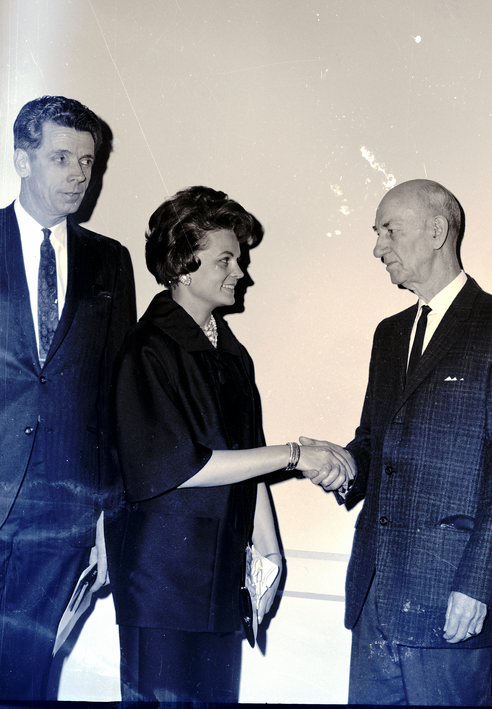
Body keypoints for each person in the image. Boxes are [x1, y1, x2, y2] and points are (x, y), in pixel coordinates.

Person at [0, 95, 137, 700]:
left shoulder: (111, 261)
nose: (78, 174)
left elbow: (115, 400)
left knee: (30, 686)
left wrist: (110, 516)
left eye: (88, 162)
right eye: (61, 157)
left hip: (62, 520)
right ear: (22, 159)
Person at [302, 179, 492, 706]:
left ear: (437, 231)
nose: (377, 247)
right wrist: (344, 466)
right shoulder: (389, 334)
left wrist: (478, 586)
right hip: (376, 598)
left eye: (389, 230)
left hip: (454, 599)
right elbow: (374, 439)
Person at [111, 186, 355, 703]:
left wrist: (269, 550)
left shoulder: (231, 350)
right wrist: (295, 455)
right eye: (226, 259)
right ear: (183, 264)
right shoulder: (147, 348)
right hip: (164, 583)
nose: (240, 272)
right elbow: (183, 466)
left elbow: (248, 454)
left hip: (220, 575)